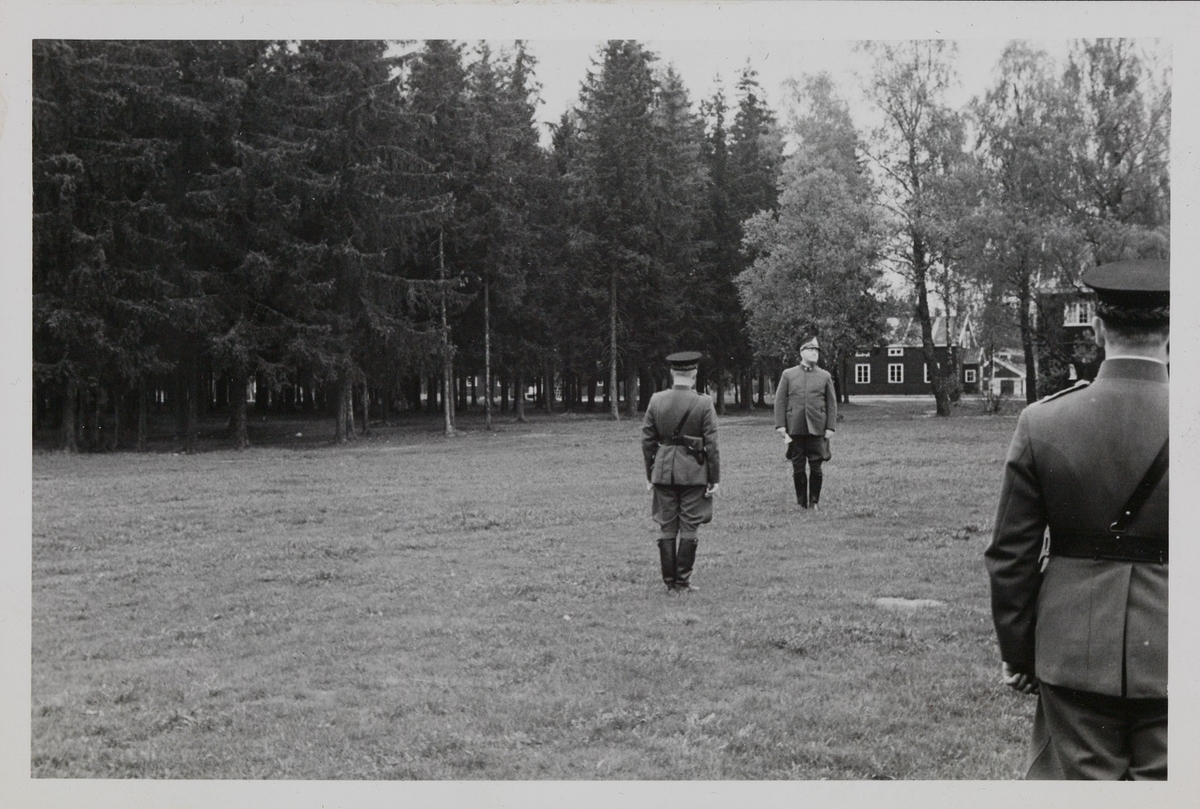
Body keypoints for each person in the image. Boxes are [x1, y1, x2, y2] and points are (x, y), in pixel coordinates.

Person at [985, 258, 1169, 780]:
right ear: (1173, 328)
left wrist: (1019, 654)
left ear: (1097, 329)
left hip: (1073, 650)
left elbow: (1010, 554)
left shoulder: (1043, 421)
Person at [641, 351, 720, 592]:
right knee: (689, 525)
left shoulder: (656, 400)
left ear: (672, 373)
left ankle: (669, 583)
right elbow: (712, 445)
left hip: (663, 471)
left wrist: (649, 474)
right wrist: (714, 478)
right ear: (694, 374)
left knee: (667, 525)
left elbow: (647, 441)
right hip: (694, 471)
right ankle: (682, 582)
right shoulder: (704, 402)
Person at [774, 335, 837, 510]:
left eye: (816, 350)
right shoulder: (788, 374)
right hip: (795, 427)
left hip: (818, 427)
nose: (814, 353)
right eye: (810, 350)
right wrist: (780, 425)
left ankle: (814, 502)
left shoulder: (824, 376)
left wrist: (830, 427)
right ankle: (801, 503)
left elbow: (832, 403)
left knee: (816, 467)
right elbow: (780, 401)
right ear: (801, 352)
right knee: (798, 467)